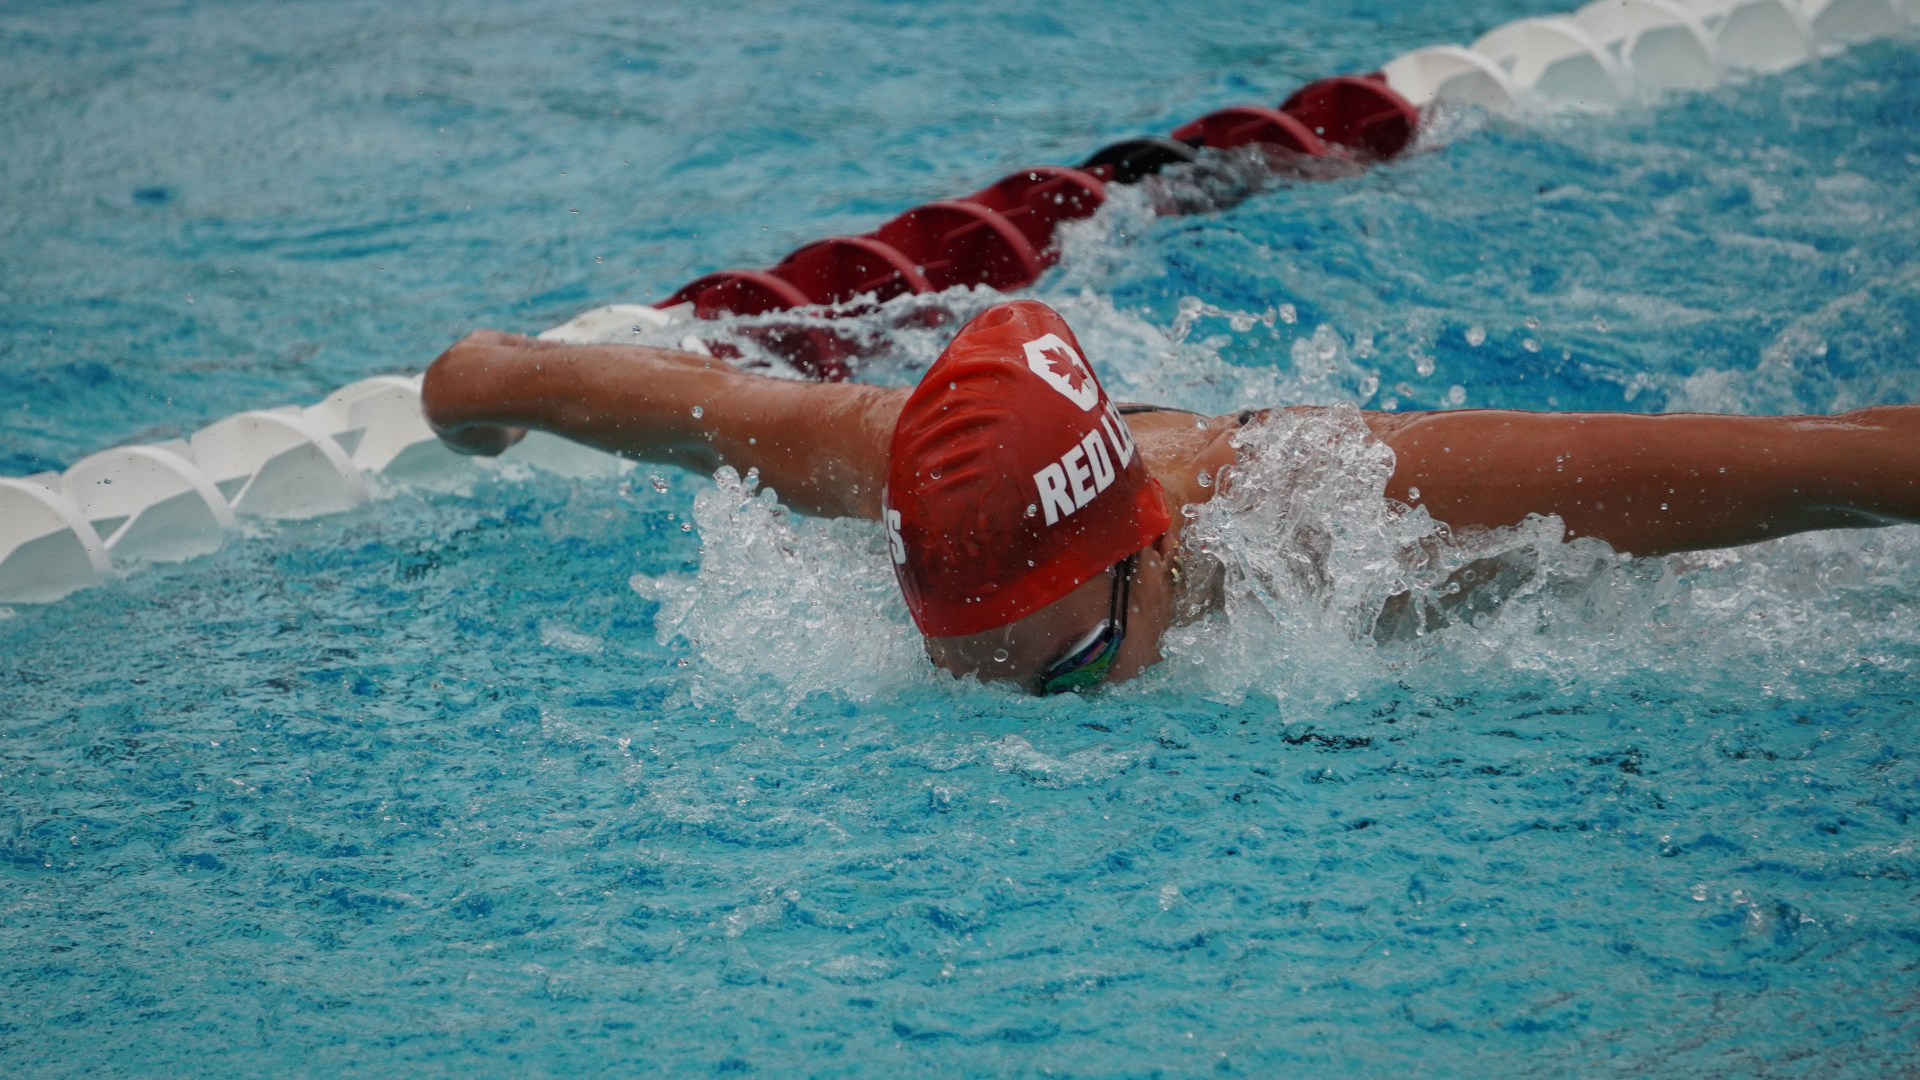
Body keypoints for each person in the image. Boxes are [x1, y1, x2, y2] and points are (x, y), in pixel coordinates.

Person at [421, 300, 1920, 693]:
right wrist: (475, 391)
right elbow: (636, 399)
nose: (1022, 730)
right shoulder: (902, 466)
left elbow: (1825, 460)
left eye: (1064, 676)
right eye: (966, 675)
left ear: (1154, 553)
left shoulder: (1354, 511)